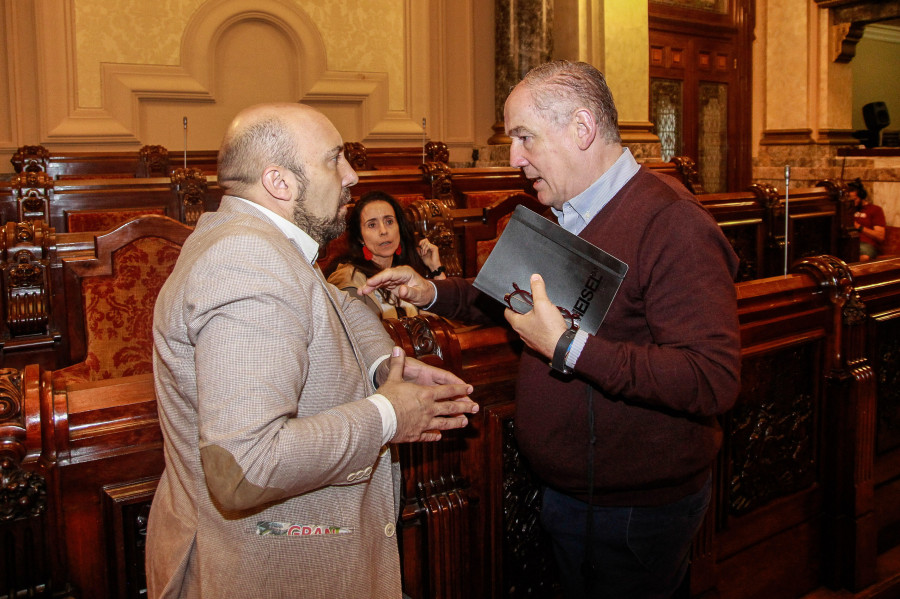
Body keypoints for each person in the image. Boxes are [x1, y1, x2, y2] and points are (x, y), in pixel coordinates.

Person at [362, 61, 741, 599]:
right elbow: (508, 298)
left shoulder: (672, 223)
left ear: (582, 129)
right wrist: (431, 292)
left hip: (633, 511)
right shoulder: (569, 211)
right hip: (574, 497)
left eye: (524, 137)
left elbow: (712, 378)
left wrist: (567, 346)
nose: (515, 158)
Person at [145, 102, 479, 599]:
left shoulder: (254, 237)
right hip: (273, 558)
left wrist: (385, 366)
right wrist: (389, 415)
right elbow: (245, 466)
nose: (351, 175)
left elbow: (338, 301)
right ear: (280, 182)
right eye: (334, 159)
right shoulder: (248, 262)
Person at [328, 190, 446, 318]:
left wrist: (436, 269)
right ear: (360, 237)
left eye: (389, 222)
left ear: (399, 227)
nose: (383, 231)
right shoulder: (349, 280)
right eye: (372, 225)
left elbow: (440, 322)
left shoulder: (406, 269)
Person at [849, 178, 886, 261]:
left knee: (863, 257)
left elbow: (880, 236)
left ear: (862, 197)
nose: (852, 203)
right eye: (849, 200)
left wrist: (859, 227)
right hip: (847, 243)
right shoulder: (846, 209)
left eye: (854, 200)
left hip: (864, 244)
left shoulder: (875, 209)